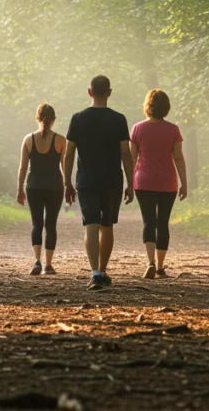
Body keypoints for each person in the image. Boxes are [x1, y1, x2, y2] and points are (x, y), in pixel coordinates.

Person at [63, 75, 133, 291]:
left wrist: (67, 182)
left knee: (90, 224)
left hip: (86, 180)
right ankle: (103, 270)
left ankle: (94, 272)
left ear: (89, 92)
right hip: (112, 179)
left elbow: (69, 153)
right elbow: (125, 153)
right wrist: (131, 182)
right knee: (108, 225)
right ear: (109, 92)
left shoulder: (77, 118)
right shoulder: (119, 119)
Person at [129, 89, 187, 279]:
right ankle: (161, 267)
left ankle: (150, 262)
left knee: (148, 221)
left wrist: (129, 183)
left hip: (143, 181)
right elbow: (178, 157)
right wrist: (184, 182)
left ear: (148, 106)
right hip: (167, 181)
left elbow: (131, 158)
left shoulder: (138, 128)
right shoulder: (173, 129)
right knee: (163, 223)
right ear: (166, 107)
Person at [16, 103, 65, 276]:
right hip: (55, 187)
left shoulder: (28, 139)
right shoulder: (60, 140)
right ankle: (49, 265)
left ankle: (37, 261)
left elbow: (23, 168)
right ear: (54, 120)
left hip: (33, 186)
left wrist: (19, 189)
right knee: (51, 225)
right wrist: (69, 186)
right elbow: (65, 167)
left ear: (37, 118)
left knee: (37, 224)